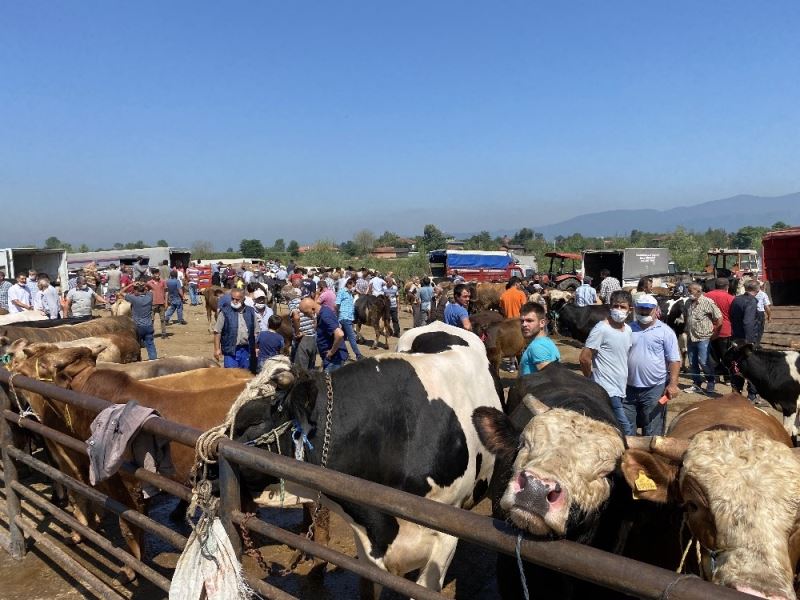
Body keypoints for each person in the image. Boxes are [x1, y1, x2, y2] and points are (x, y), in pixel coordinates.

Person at [624, 294, 681, 436]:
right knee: (626, 428)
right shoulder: (627, 329)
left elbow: (674, 359)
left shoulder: (665, 331)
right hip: (627, 388)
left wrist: (673, 384)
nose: (644, 312)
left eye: (648, 309)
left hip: (654, 388)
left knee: (653, 429)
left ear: (656, 310)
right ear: (635, 309)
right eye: (641, 308)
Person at [579, 290, 633, 434]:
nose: (619, 310)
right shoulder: (601, 329)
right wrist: (590, 378)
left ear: (630, 309)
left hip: (621, 387)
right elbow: (584, 358)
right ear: (610, 307)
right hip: (606, 388)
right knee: (626, 429)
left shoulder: (628, 330)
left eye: (623, 307)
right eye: (616, 306)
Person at [684, 282, 723, 395]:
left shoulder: (707, 302)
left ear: (698, 291)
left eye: (690, 291)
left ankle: (711, 382)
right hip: (691, 337)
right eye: (688, 291)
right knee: (692, 362)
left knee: (704, 361)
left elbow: (719, 319)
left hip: (703, 337)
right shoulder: (688, 303)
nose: (689, 293)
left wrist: (715, 334)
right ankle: (696, 384)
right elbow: (687, 317)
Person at [730, 280, 761, 402]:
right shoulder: (751, 301)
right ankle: (752, 395)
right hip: (747, 340)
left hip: (736, 338)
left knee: (737, 365)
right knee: (751, 367)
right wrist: (749, 342)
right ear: (757, 290)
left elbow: (732, 316)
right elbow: (748, 322)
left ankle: (736, 392)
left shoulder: (736, 299)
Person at [213, 288, 257, 373]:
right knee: (230, 374)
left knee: (245, 374)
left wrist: (256, 347)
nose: (234, 301)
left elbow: (256, 331)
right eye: (232, 299)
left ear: (243, 299)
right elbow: (217, 332)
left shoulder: (251, 311)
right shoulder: (225, 312)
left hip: (246, 350)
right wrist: (217, 349)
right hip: (230, 350)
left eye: (237, 299)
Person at [519, 302, 560, 374]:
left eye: (529, 320)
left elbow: (550, 377)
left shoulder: (537, 347)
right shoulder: (546, 341)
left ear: (542, 323)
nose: (524, 324)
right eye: (522, 321)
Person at [121, 281, 158, 360]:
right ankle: (153, 359)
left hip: (137, 326)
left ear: (136, 291)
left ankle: (137, 360)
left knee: (136, 344)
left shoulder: (133, 298)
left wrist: (130, 284)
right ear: (144, 290)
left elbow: (121, 292)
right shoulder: (149, 297)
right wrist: (145, 284)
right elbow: (154, 289)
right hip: (148, 325)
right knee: (150, 344)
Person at [311, 298, 348, 372]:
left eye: (306, 313)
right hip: (330, 358)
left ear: (312, 310)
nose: (306, 315)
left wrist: (331, 352)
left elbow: (339, 334)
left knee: (331, 379)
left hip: (334, 359)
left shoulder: (325, 315)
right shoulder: (323, 311)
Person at [705, 277, 734, 369]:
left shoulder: (705, 296)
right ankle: (727, 375)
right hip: (725, 330)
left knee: (713, 356)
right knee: (726, 355)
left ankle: (715, 374)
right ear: (727, 286)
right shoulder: (731, 298)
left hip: (708, 329)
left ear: (715, 285)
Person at [335, 277, 364, 361]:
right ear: (348, 284)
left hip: (349, 317)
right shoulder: (342, 292)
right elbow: (337, 304)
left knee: (343, 338)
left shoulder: (350, 293)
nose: (354, 287)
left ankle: (340, 354)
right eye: (353, 285)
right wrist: (338, 316)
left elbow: (359, 293)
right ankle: (358, 355)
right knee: (351, 337)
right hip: (344, 317)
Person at [289, 289, 317, 370]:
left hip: (303, 337)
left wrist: (297, 332)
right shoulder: (308, 303)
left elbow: (296, 317)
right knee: (310, 367)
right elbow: (315, 319)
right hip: (312, 336)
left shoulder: (293, 303)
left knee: (300, 369)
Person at [146, 270, 168, 338]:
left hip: (162, 303)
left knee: (163, 319)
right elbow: (145, 292)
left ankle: (164, 334)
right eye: (156, 274)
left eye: (158, 273)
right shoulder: (149, 283)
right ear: (153, 275)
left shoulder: (163, 282)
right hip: (152, 304)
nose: (157, 275)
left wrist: (166, 302)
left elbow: (166, 292)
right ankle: (150, 334)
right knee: (151, 320)